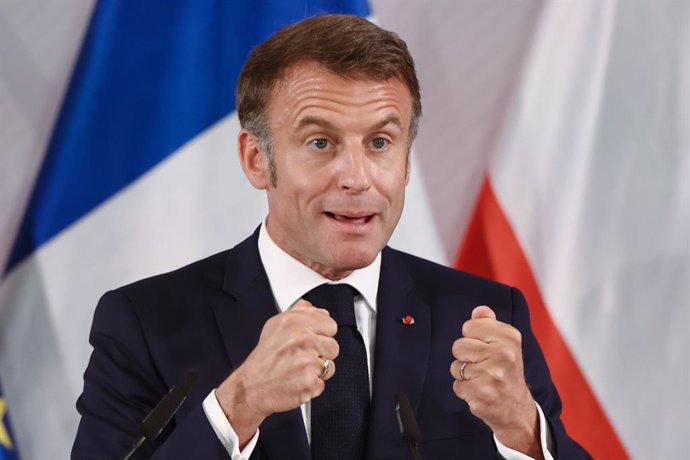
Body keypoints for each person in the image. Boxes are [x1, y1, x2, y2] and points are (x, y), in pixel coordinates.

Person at [72, 14, 590, 460]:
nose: (357, 177)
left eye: (381, 142)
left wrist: (525, 430)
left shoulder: (483, 316)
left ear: (407, 161)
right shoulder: (144, 323)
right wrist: (237, 406)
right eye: (320, 142)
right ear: (257, 159)